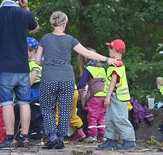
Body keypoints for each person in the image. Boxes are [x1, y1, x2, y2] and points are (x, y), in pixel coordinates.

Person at [35, 11, 118, 149]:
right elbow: (87, 53)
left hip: (49, 78)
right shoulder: (70, 39)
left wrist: (48, 64)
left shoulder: (45, 38)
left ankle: (52, 137)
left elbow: (37, 60)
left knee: (48, 109)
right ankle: (61, 138)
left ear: (52, 23)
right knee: (66, 109)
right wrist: (108, 59)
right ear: (64, 23)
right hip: (67, 79)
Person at [0, 0, 39, 149]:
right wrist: (26, 8)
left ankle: (9, 139)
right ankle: (24, 138)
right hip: (22, 67)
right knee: (24, 102)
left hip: (4, 67)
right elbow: (35, 28)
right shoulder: (24, 14)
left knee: (6, 102)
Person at [97, 39, 136, 150]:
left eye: (110, 48)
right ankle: (111, 139)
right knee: (109, 118)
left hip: (117, 97)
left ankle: (129, 140)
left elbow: (114, 82)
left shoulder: (116, 65)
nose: (108, 51)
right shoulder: (116, 64)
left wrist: (107, 97)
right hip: (115, 96)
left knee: (120, 119)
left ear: (114, 51)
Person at [77, 48, 107, 143]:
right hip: (105, 95)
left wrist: (77, 87)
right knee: (102, 116)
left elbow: (82, 84)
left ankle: (93, 135)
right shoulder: (102, 68)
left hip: (95, 96)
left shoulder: (88, 69)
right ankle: (102, 135)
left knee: (92, 116)